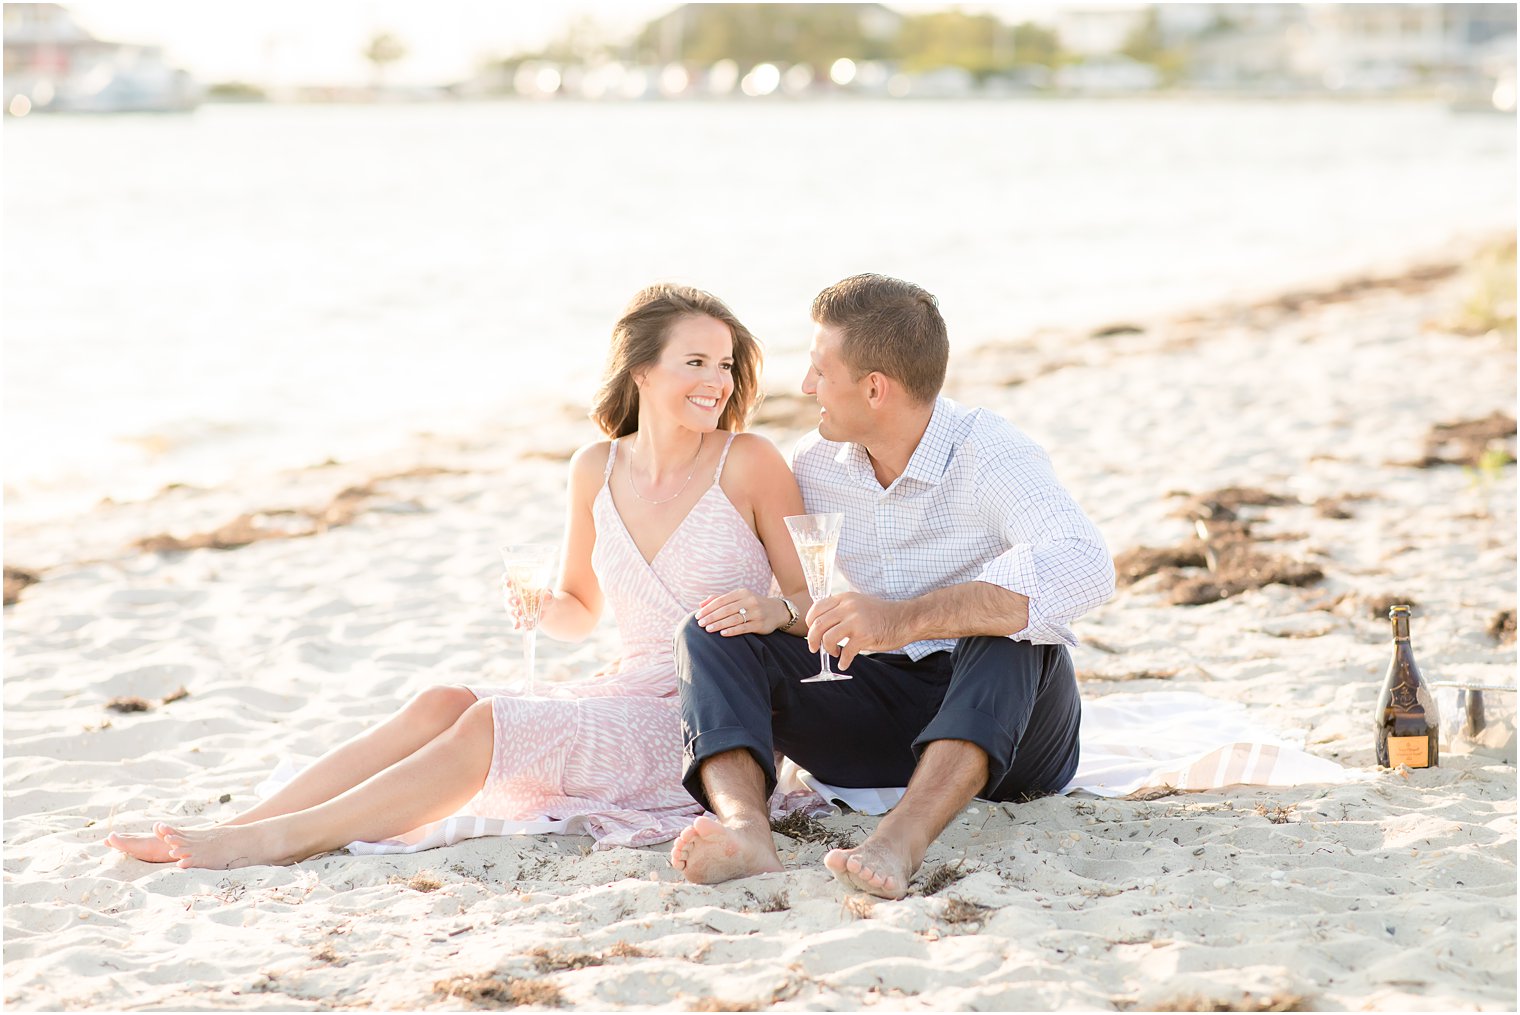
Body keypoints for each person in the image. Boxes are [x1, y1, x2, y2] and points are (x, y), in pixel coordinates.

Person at [105, 284, 815, 870]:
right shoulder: (594, 469)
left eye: (724, 364)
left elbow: (812, 598)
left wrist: (768, 608)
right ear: (641, 370)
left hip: (704, 721)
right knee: (442, 697)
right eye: (696, 361)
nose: (718, 381)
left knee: (492, 720)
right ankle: (253, 820)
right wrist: (540, 606)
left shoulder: (748, 460)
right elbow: (579, 611)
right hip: (624, 687)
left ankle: (274, 839)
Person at [670, 273, 1116, 899]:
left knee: (1008, 626)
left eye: (820, 372)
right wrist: (782, 612)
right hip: (881, 718)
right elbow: (811, 604)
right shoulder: (815, 463)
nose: (805, 387)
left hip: (1012, 742)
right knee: (713, 631)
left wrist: (904, 619)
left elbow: (1086, 565)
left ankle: (900, 840)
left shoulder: (989, 452)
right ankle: (746, 831)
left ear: (875, 388)